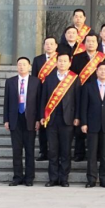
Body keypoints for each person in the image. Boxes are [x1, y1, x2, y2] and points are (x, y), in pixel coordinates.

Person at [40, 52, 81, 187]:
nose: (62, 63)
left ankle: (64, 178)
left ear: (69, 63)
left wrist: (77, 117)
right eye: (60, 61)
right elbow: (43, 98)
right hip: (51, 119)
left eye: (65, 61)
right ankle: (53, 178)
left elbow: (78, 99)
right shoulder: (49, 78)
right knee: (52, 150)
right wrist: (42, 116)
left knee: (65, 150)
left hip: (68, 119)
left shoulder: (74, 78)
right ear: (56, 63)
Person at [3, 57, 41, 186]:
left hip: (30, 119)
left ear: (29, 66)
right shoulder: (10, 82)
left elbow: (39, 102)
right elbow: (6, 102)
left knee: (30, 150)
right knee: (16, 150)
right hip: (15, 119)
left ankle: (29, 178)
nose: (22, 67)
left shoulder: (36, 82)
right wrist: (6, 119)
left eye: (24, 64)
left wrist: (38, 119)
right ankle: (17, 177)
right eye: (19, 64)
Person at [80, 62, 105, 188]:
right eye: (100, 69)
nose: (103, 72)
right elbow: (83, 106)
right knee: (91, 153)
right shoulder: (88, 87)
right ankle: (91, 179)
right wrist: (84, 122)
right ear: (96, 72)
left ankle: (104, 179)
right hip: (92, 124)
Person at [70, 32, 101, 162]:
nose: (91, 43)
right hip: (81, 93)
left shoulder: (103, 58)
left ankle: (97, 153)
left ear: (97, 43)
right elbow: (72, 76)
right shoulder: (77, 57)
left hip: (98, 94)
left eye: (93, 41)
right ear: (84, 43)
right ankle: (79, 153)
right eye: (88, 41)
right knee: (79, 125)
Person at [31, 36, 58, 162]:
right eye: (47, 44)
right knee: (42, 125)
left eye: (51, 44)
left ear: (56, 46)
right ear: (43, 46)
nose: (49, 46)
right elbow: (34, 78)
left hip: (57, 95)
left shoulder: (61, 59)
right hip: (42, 95)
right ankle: (43, 151)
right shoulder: (38, 60)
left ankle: (56, 151)